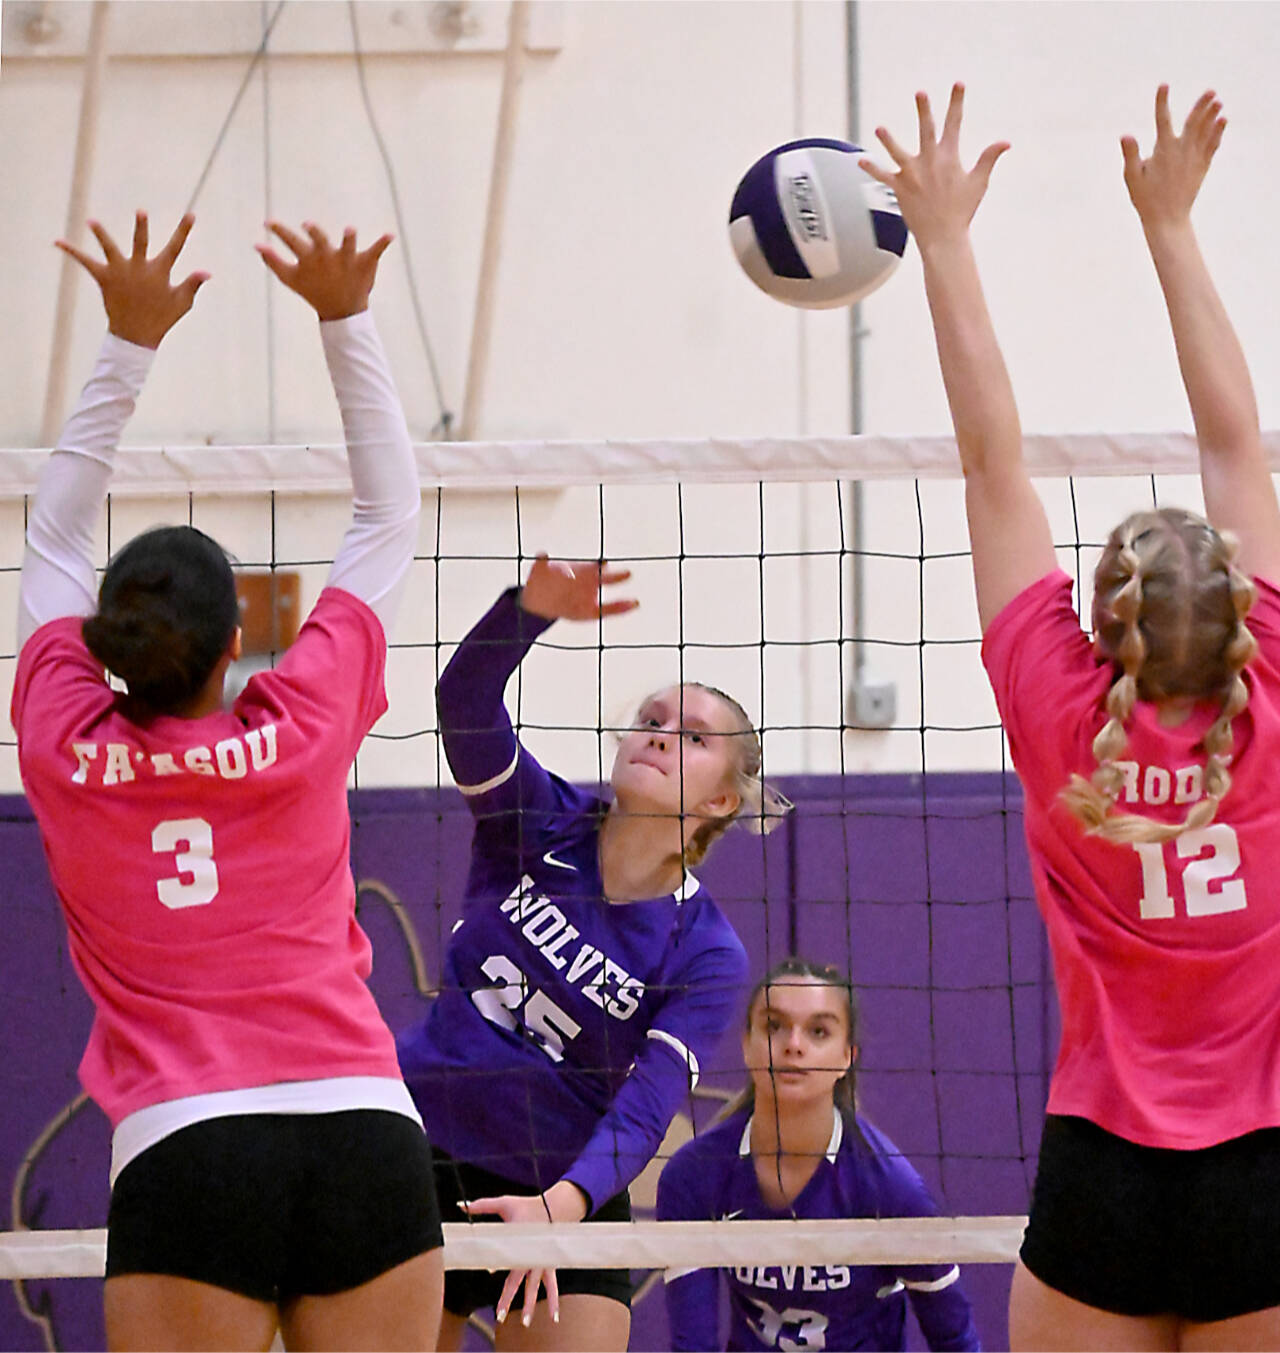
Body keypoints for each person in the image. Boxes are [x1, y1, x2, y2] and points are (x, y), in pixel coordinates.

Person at [861, 84, 1280, 1351]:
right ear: (1237, 619)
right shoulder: (1270, 693)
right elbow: (1233, 444)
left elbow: (992, 461)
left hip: (1100, 1163)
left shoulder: (1054, 705)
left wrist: (939, 240)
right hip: (1260, 1172)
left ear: (1101, 623)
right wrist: (1169, 226)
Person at [13, 211, 443, 1350]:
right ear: (237, 638)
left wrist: (127, 344)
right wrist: (345, 319)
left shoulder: (62, 741)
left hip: (191, 1143)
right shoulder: (300, 722)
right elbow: (390, 512)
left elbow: (49, 542)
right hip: (363, 1129)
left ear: (105, 639)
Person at [397, 557, 786, 1350]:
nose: (660, 734)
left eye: (694, 735)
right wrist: (528, 611)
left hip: (562, 1181)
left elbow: (647, 1103)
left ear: (719, 800)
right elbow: (464, 703)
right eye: (652, 716)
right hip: (420, 1146)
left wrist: (560, 1208)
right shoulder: (535, 820)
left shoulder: (706, 951)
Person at [657, 957, 981, 1352]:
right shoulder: (696, 1174)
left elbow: (955, 1341)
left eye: (818, 1031)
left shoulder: (890, 1188)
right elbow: (693, 1346)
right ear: (746, 1045)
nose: (794, 1044)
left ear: (847, 1057)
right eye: (774, 1026)